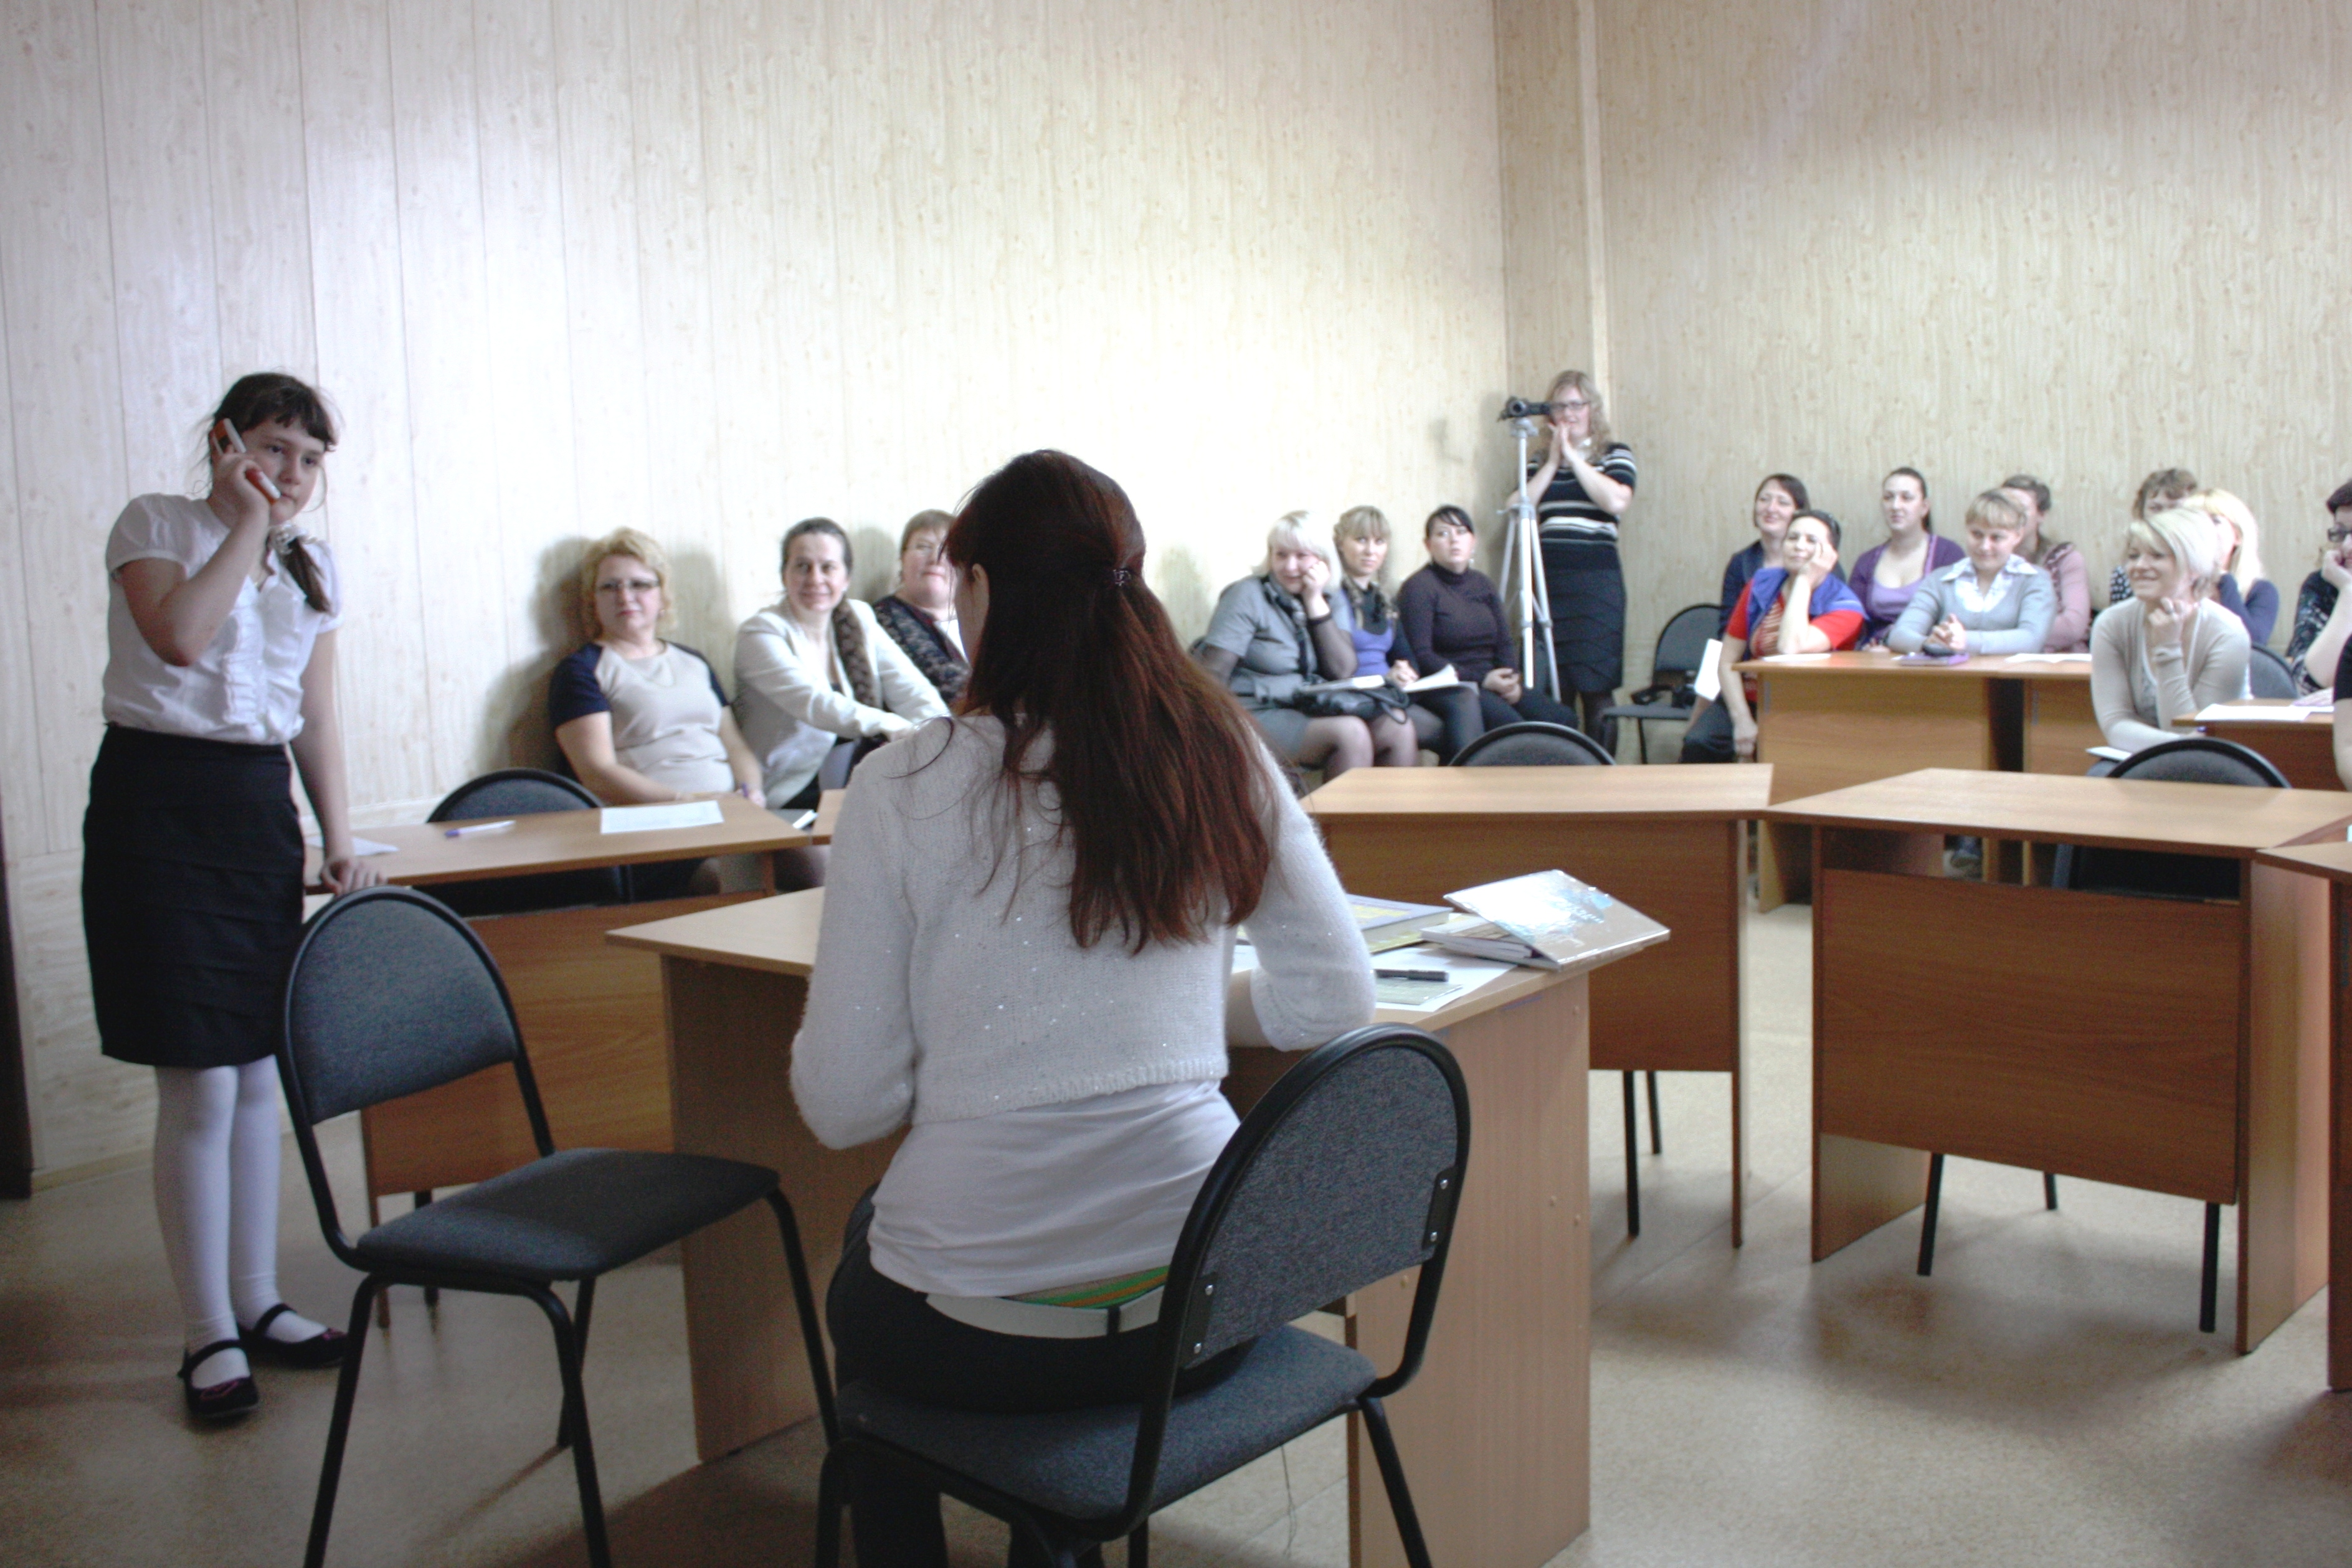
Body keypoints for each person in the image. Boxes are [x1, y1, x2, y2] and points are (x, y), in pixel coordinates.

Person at [793, 450, 1375, 1568]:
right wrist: (1173, 1024)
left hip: (982, 1335)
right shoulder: (1217, 746)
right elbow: (1334, 994)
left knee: (868, 1267)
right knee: (937, 1250)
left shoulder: (903, 783)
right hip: (1202, 1311)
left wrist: (979, 1035)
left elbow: (843, 1104)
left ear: (982, 589)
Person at [83, 373, 382, 1423]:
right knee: (200, 1082)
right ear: (224, 442)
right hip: (158, 806)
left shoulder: (315, 566)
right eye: (273, 447)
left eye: (310, 458)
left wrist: (338, 838)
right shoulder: (156, 523)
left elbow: (313, 715)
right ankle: (205, 1328)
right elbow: (179, 636)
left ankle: (258, 1301)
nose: (292, 473)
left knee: (259, 1073)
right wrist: (248, 521)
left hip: (255, 809)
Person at [734, 517, 949, 813]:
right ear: (784, 575)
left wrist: (942, 733)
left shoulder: (859, 617)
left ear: (846, 578)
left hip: (857, 779)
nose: (815, 578)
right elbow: (815, 703)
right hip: (793, 790)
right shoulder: (761, 633)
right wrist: (894, 726)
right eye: (802, 566)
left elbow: (910, 688)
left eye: (828, 567)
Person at [549, 529, 764, 805]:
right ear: (593, 600)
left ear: (662, 596)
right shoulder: (581, 670)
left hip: (730, 810)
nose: (625, 596)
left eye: (639, 585)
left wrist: (752, 792)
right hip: (653, 817)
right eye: (610, 587)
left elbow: (735, 745)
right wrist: (685, 801)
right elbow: (597, 773)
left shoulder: (694, 661)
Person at [1197, 515, 1411, 776]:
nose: (1290, 566)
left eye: (1301, 556)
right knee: (1351, 734)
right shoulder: (1248, 594)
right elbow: (1212, 674)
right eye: (1281, 555)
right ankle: (1339, 808)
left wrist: (1314, 602)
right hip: (1253, 709)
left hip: (1307, 705)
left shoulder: (1330, 596)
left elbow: (1342, 670)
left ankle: (1389, 806)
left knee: (1398, 728)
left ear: (1323, 560)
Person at [1679, 510, 1864, 763]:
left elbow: (1790, 647)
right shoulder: (1761, 585)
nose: (1799, 546)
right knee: (1699, 743)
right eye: (1793, 538)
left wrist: (1804, 580)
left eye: (1812, 540)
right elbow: (1727, 660)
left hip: (1806, 708)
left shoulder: (1846, 606)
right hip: (1749, 698)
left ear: (1830, 555)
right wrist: (1742, 719)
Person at [1398, 505, 1583, 736]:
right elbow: (1423, 656)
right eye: (1443, 534)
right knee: (1514, 730)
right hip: (1455, 685)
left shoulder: (1483, 584)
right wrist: (1483, 680)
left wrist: (1510, 681)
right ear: (1428, 545)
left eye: (1461, 532)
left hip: (1495, 681)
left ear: (1473, 541)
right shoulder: (1419, 587)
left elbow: (1504, 641)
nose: (1454, 540)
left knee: (1564, 720)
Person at [1522, 370, 1637, 738]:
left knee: (1597, 686)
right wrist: (1553, 463)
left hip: (1597, 584)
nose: (1568, 414)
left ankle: (1602, 770)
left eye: (1576, 405)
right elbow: (1518, 507)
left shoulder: (1614, 454)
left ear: (1592, 409)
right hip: (1551, 583)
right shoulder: (1539, 460)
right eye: (1559, 407)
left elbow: (1616, 501)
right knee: (1557, 688)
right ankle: (1564, 767)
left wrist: (1573, 458)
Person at [2091, 506, 2250, 754]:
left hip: (2216, 762)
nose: (2139, 566)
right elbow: (2115, 724)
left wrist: (2168, 649)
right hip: (2140, 757)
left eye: (2157, 556)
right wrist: (2169, 747)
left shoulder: (2227, 633)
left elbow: (2195, 735)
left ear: (2194, 566)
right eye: (2133, 556)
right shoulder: (2111, 624)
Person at [1328, 503, 1478, 760]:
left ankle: (1465, 782)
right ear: (1341, 544)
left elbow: (1407, 656)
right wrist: (1388, 678)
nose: (1370, 550)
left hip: (1389, 692)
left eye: (1379, 542)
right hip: (1356, 695)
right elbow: (1332, 665)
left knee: (1463, 703)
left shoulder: (1383, 598)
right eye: (1361, 540)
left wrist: (1405, 671)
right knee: (1443, 730)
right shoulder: (1330, 596)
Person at [1886, 490, 2057, 656]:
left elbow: (2032, 639)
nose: (1985, 546)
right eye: (1977, 534)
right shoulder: (1940, 580)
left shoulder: (2035, 580)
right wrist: (1930, 643)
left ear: (2017, 536)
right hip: (1952, 675)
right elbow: (1899, 635)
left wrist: (1966, 641)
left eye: (1996, 537)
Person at [1848, 468, 1963, 645]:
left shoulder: (1948, 554)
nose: (1895, 506)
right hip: (1875, 654)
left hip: (1931, 650)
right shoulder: (1866, 562)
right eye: (1888, 497)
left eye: (1907, 498)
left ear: (1924, 507)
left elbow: (1956, 616)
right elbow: (1854, 622)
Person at [871, 509, 969, 704]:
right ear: (902, 558)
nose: (936, 558)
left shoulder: (977, 616)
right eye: (923, 547)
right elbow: (952, 689)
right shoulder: (885, 617)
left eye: (948, 550)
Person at [1998, 474, 2090, 651]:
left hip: (2058, 661)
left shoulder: (2066, 559)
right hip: (1999, 658)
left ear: (2041, 515)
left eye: (2021, 509)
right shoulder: (1987, 558)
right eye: (2005, 508)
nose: (2012, 516)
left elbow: (2072, 627)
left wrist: (1998, 629)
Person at [1718, 474, 1812, 633]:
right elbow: (1727, 629)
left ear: (1799, 513)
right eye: (1764, 500)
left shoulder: (1817, 560)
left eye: (1782, 502)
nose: (1771, 508)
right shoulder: (1740, 563)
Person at [2284, 478, 2352, 692]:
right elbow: (2308, 685)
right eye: (2341, 534)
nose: (2347, 547)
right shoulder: (2324, 586)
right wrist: (2348, 592)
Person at [2188, 489, 2277, 646]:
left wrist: (2224, 582)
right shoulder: (2170, 586)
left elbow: (2253, 644)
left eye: (2215, 521)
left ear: (2238, 536)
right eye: (2195, 521)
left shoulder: (2261, 591)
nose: (2204, 529)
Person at [2108, 467, 2199, 607]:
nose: (2164, 517)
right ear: (2141, 512)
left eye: (2175, 509)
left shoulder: (2203, 569)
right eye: (2156, 508)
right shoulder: (2125, 573)